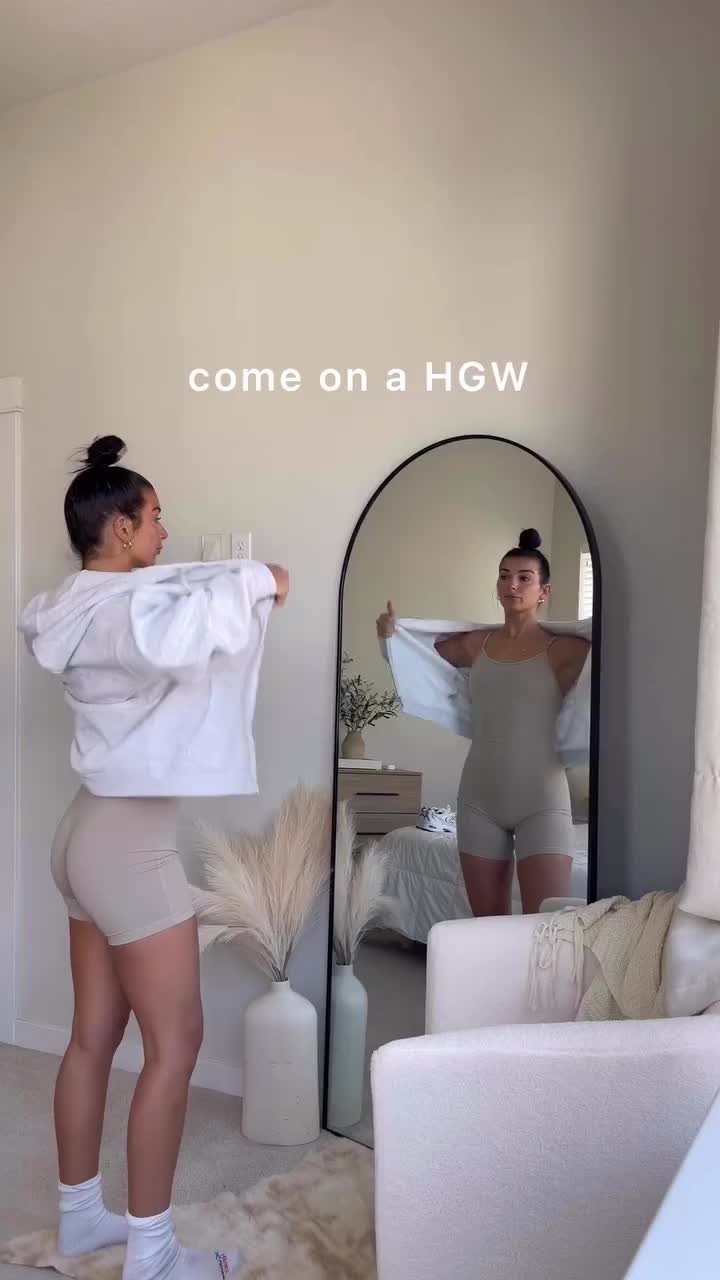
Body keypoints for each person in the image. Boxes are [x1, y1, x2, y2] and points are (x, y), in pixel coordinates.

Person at [19, 435, 289, 1280]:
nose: (167, 533)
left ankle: (81, 1222)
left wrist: (229, 579)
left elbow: (168, 612)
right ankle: (155, 1256)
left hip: (84, 834)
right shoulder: (130, 617)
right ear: (123, 526)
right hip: (127, 849)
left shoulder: (76, 606)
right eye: (157, 517)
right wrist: (258, 578)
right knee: (177, 1044)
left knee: (92, 1038)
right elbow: (178, 638)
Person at [376, 528, 589, 916]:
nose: (512, 585)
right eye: (504, 576)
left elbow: (614, 665)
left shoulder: (565, 650)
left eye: (524, 577)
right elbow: (417, 659)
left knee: (548, 928)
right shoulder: (476, 645)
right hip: (479, 799)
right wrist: (390, 636)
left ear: (544, 591)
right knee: (485, 927)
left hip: (542, 799)